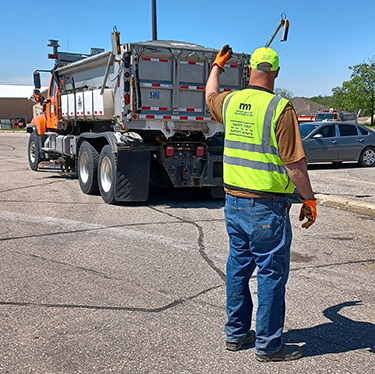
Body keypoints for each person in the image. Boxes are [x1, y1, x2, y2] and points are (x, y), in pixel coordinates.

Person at [205, 45, 317, 362]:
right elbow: (294, 165)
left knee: (238, 269)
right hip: (266, 209)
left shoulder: (231, 101)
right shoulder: (280, 109)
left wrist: (216, 66)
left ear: (248, 69)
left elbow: (209, 95)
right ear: (277, 73)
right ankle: (268, 345)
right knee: (270, 275)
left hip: (233, 204)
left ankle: (236, 335)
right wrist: (309, 199)